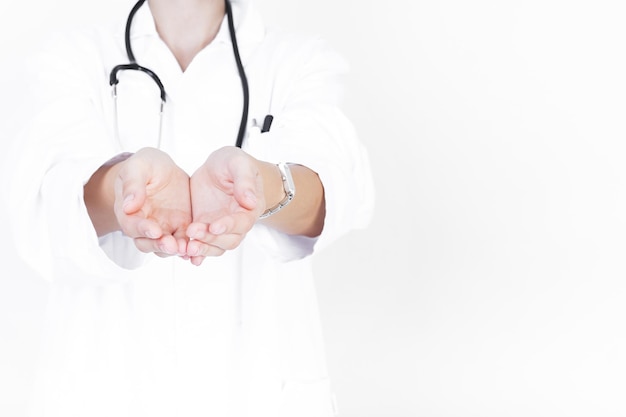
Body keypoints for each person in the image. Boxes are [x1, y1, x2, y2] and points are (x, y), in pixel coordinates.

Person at [2, 0, 374, 416]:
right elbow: (42, 200)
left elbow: (334, 190)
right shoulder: (72, 58)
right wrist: (122, 189)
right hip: (106, 385)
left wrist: (261, 187)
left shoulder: (297, 61)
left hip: (258, 388)